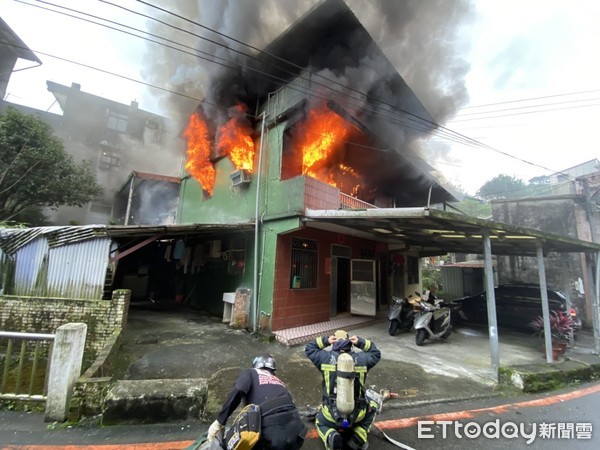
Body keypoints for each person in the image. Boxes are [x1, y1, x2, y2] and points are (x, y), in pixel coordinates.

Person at [206, 353, 306, 449]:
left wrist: (220, 421)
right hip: (297, 434)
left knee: (231, 443)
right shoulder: (279, 382)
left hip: (269, 435)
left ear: (255, 366)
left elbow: (238, 389)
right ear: (273, 370)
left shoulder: (251, 372)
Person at [305, 330, 381, 450]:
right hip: (357, 416)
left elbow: (309, 348)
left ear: (334, 342)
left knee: (320, 422)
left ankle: (330, 435)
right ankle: (359, 436)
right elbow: (376, 353)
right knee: (373, 405)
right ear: (349, 342)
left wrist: (325, 340)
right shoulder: (362, 359)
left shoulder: (324, 358)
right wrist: (361, 342)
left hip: (331, 415)